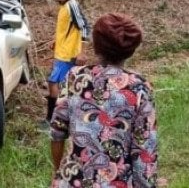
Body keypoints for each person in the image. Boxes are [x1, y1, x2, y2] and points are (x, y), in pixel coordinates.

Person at [50, 13, 157, 187]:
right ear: (130, 51)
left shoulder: (75, 77)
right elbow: (145, 151)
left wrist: (58, 174)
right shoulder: (140, 88)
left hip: (73, 181)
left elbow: (57, 131)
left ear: (96, 47)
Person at [45, 0, 90, 125]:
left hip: (68, 55)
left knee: (55, 85)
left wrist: (82, 52)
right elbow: (66, 29)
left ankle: (55, 120)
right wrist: (55, 40)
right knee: (56, 85)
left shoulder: (71, 5)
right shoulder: (64, 6)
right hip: (61, 52)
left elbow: (84, 27)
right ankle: (55, 119)